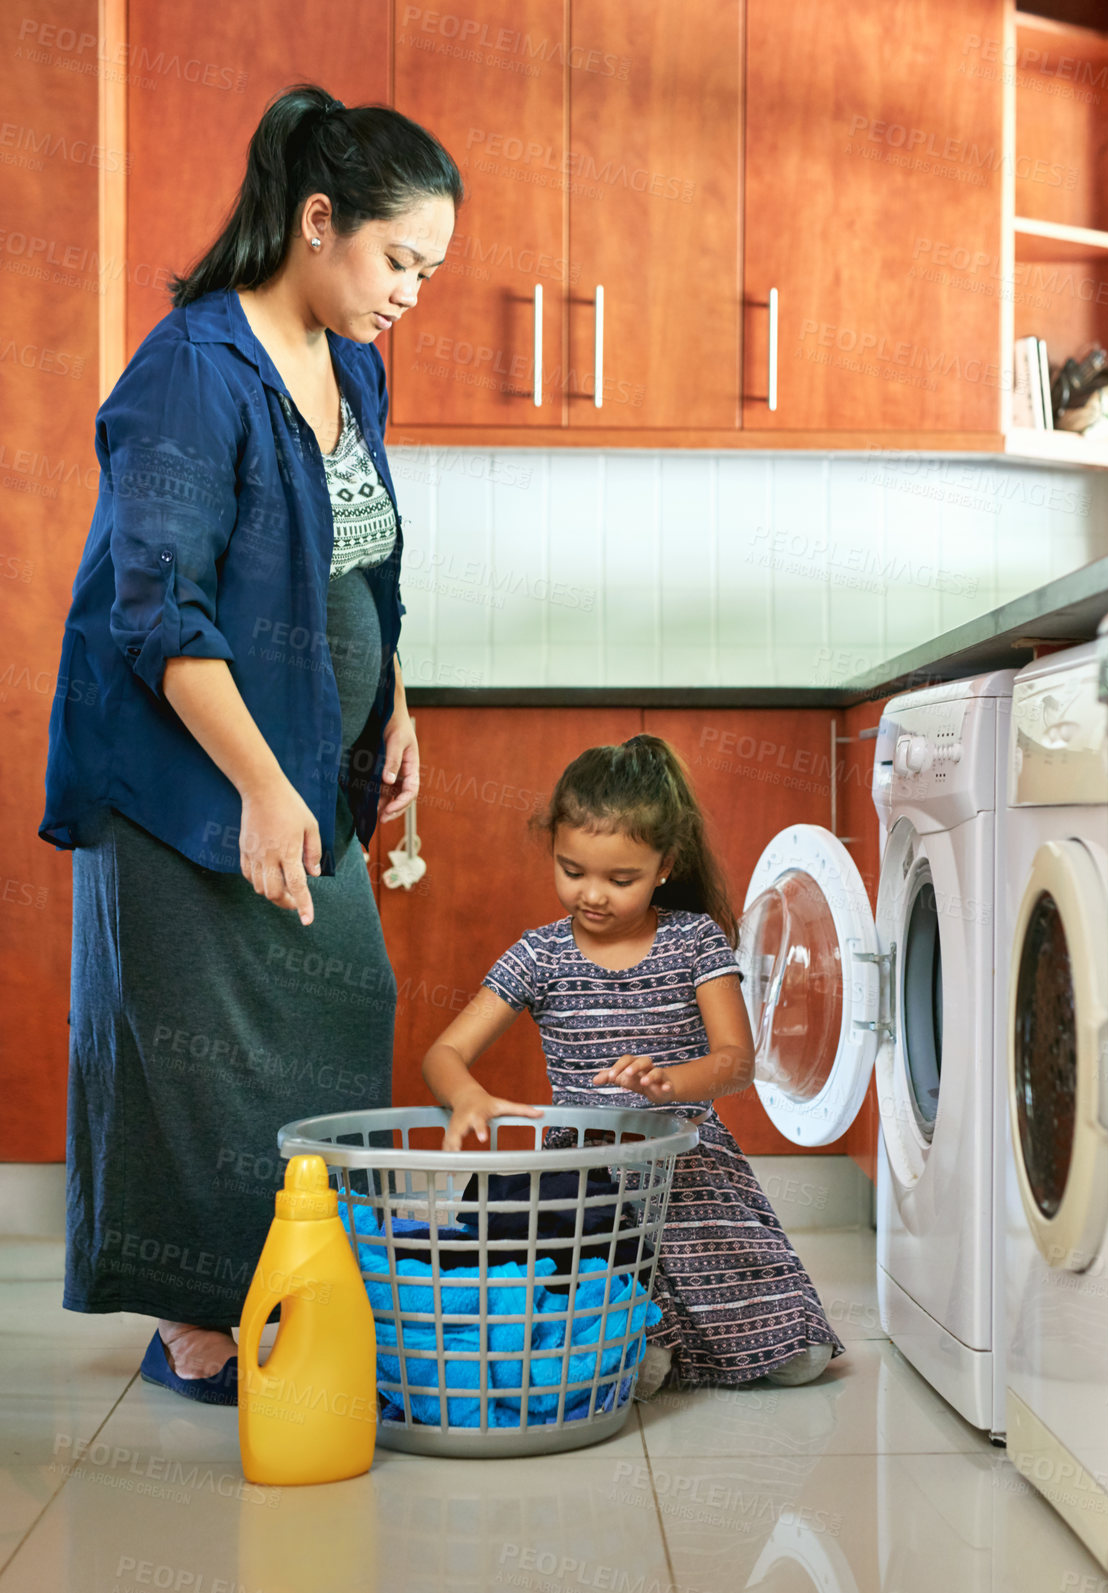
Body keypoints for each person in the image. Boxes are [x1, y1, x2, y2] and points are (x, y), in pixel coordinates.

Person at [39, 84, 462, 1402]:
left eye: (429, 271)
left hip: (303, 762)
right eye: (400, 260)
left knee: (338, 1009)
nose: (410, 293)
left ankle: (283, 1282)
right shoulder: (189, 370)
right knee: (188, 1035)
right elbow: (156, 608)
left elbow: (361, 556)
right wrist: (264, 786)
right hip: (182, 774)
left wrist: (392, 699)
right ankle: (196, 1328)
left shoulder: (356, 366)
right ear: (318, 221)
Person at [421, 734, 843, 1395]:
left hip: (685, 1154)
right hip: (585, 1169)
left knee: (801, 1358)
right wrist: (466, 1093)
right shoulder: (540, 954)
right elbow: (444, 1051)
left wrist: (671, 1082)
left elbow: (738, 1060)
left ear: (665, 864)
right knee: (591, 1272)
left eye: (621, 879)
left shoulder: (693, 939)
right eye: (572, 869)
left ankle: (709, 1339)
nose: (592, 894)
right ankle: (630, 1340)